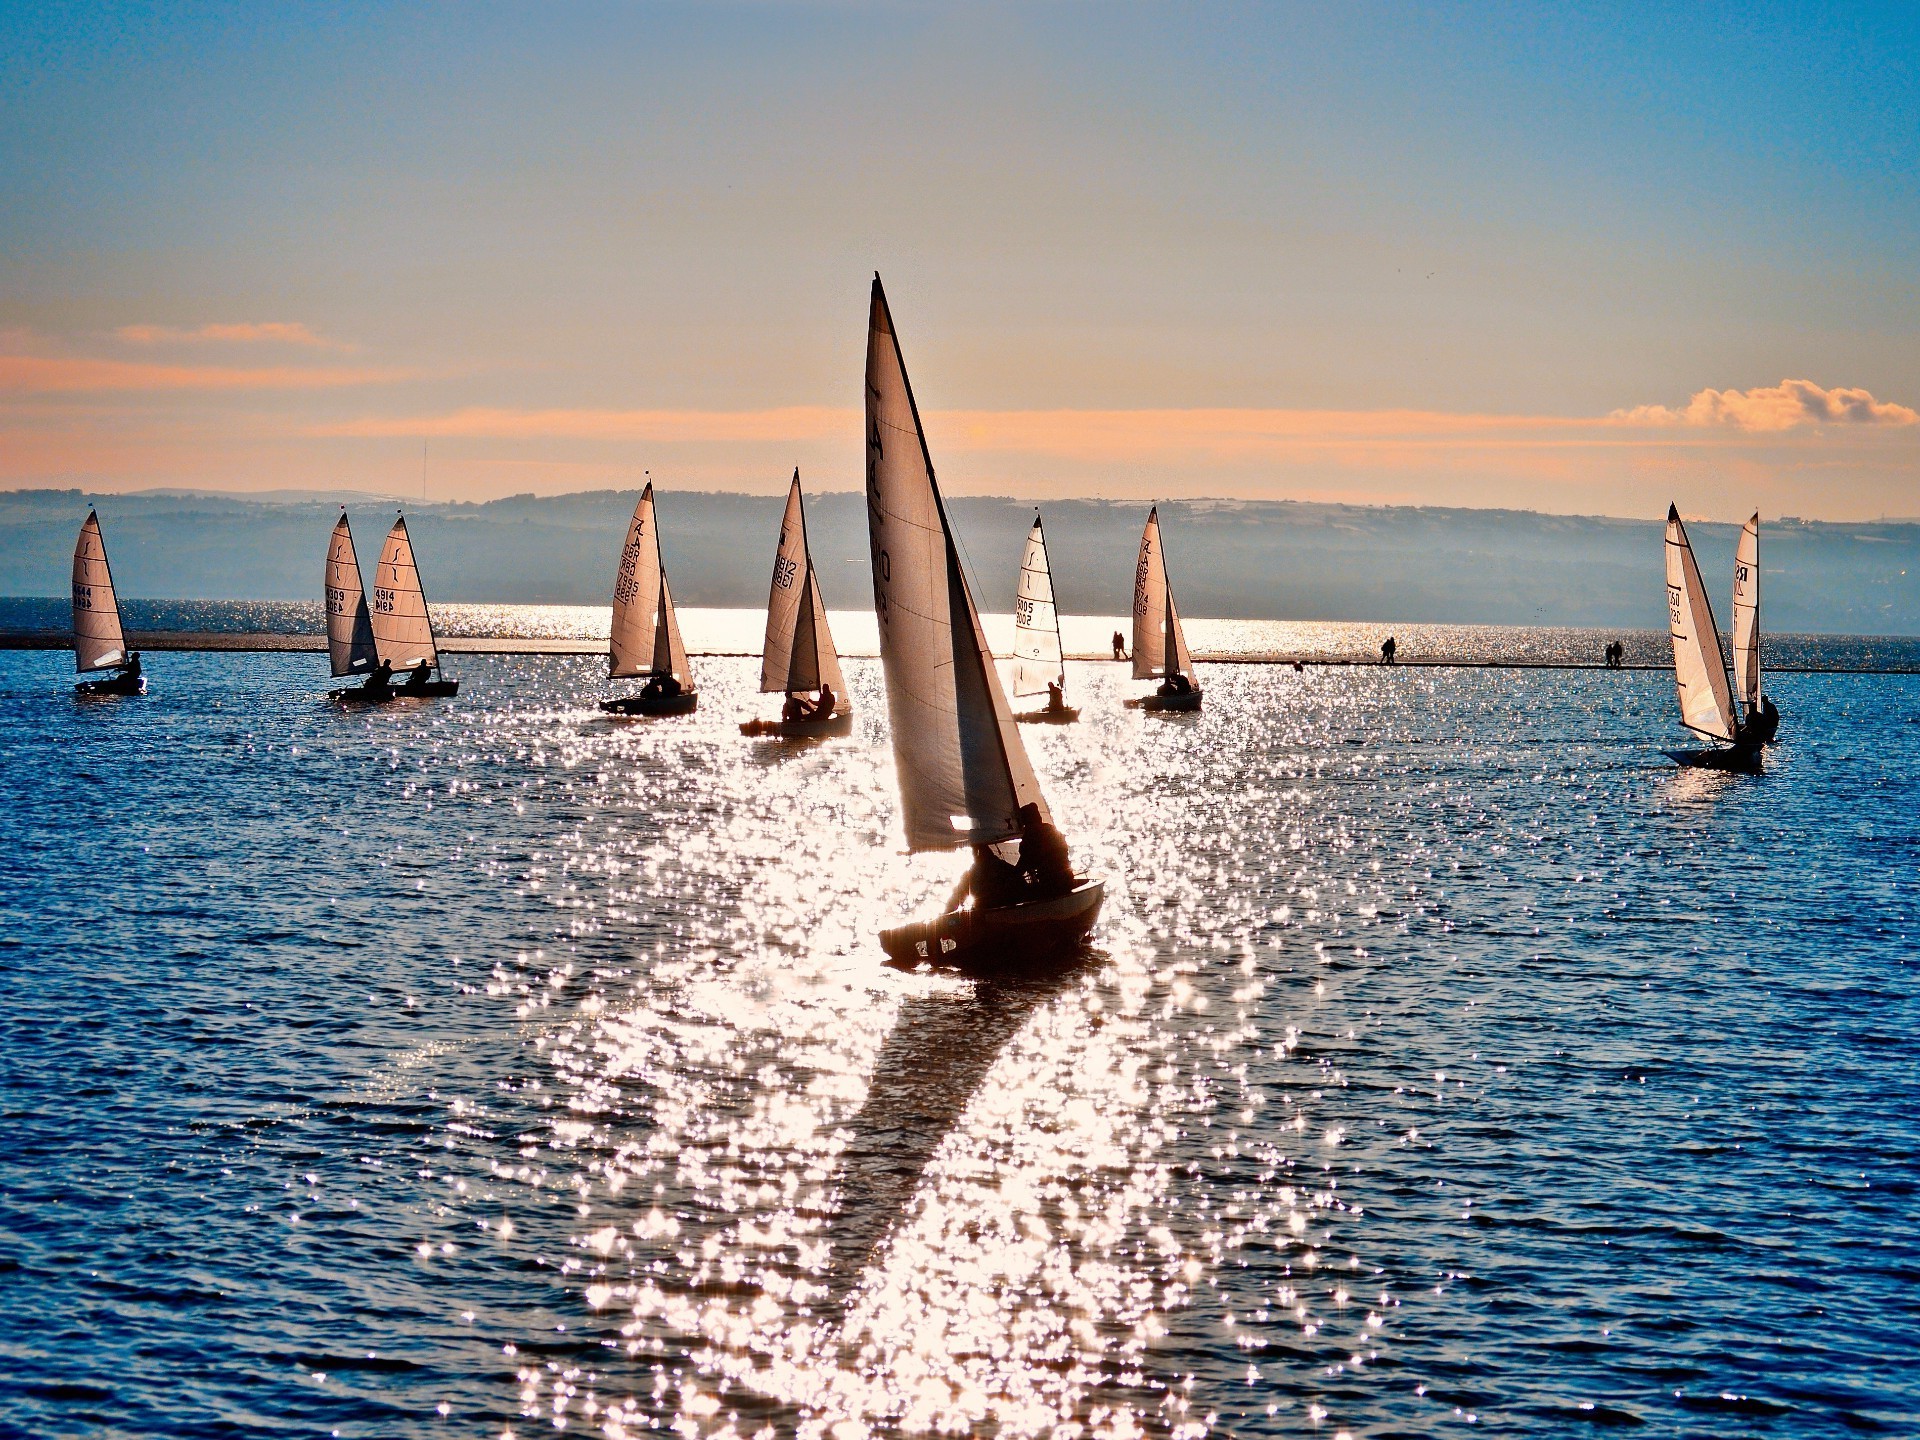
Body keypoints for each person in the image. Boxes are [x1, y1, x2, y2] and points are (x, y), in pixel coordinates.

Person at [1013, 802, 1075, 898]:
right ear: (1038, 817)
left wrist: (1010, 877)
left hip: (1050, 886)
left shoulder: (1030, 837)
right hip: (1068, 881)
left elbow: (1024, 864)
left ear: (1024, 822)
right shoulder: (1052, 830)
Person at [947, 842, 1022, 911]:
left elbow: (957, 897)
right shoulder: (1003, 866)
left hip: (993, 906)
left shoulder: (971, 874)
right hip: (994, 907)